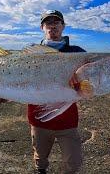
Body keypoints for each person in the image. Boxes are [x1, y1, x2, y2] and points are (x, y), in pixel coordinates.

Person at [28, 10, 86, 174]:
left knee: (73, 162)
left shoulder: (78, 53)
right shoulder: (32, 53)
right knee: (40, 158)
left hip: (67, 120)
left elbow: (88, 86)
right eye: (48, 22)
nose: (52, 25)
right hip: (38, 118)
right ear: (42, 27)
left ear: (63, 26)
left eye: (56, 22)